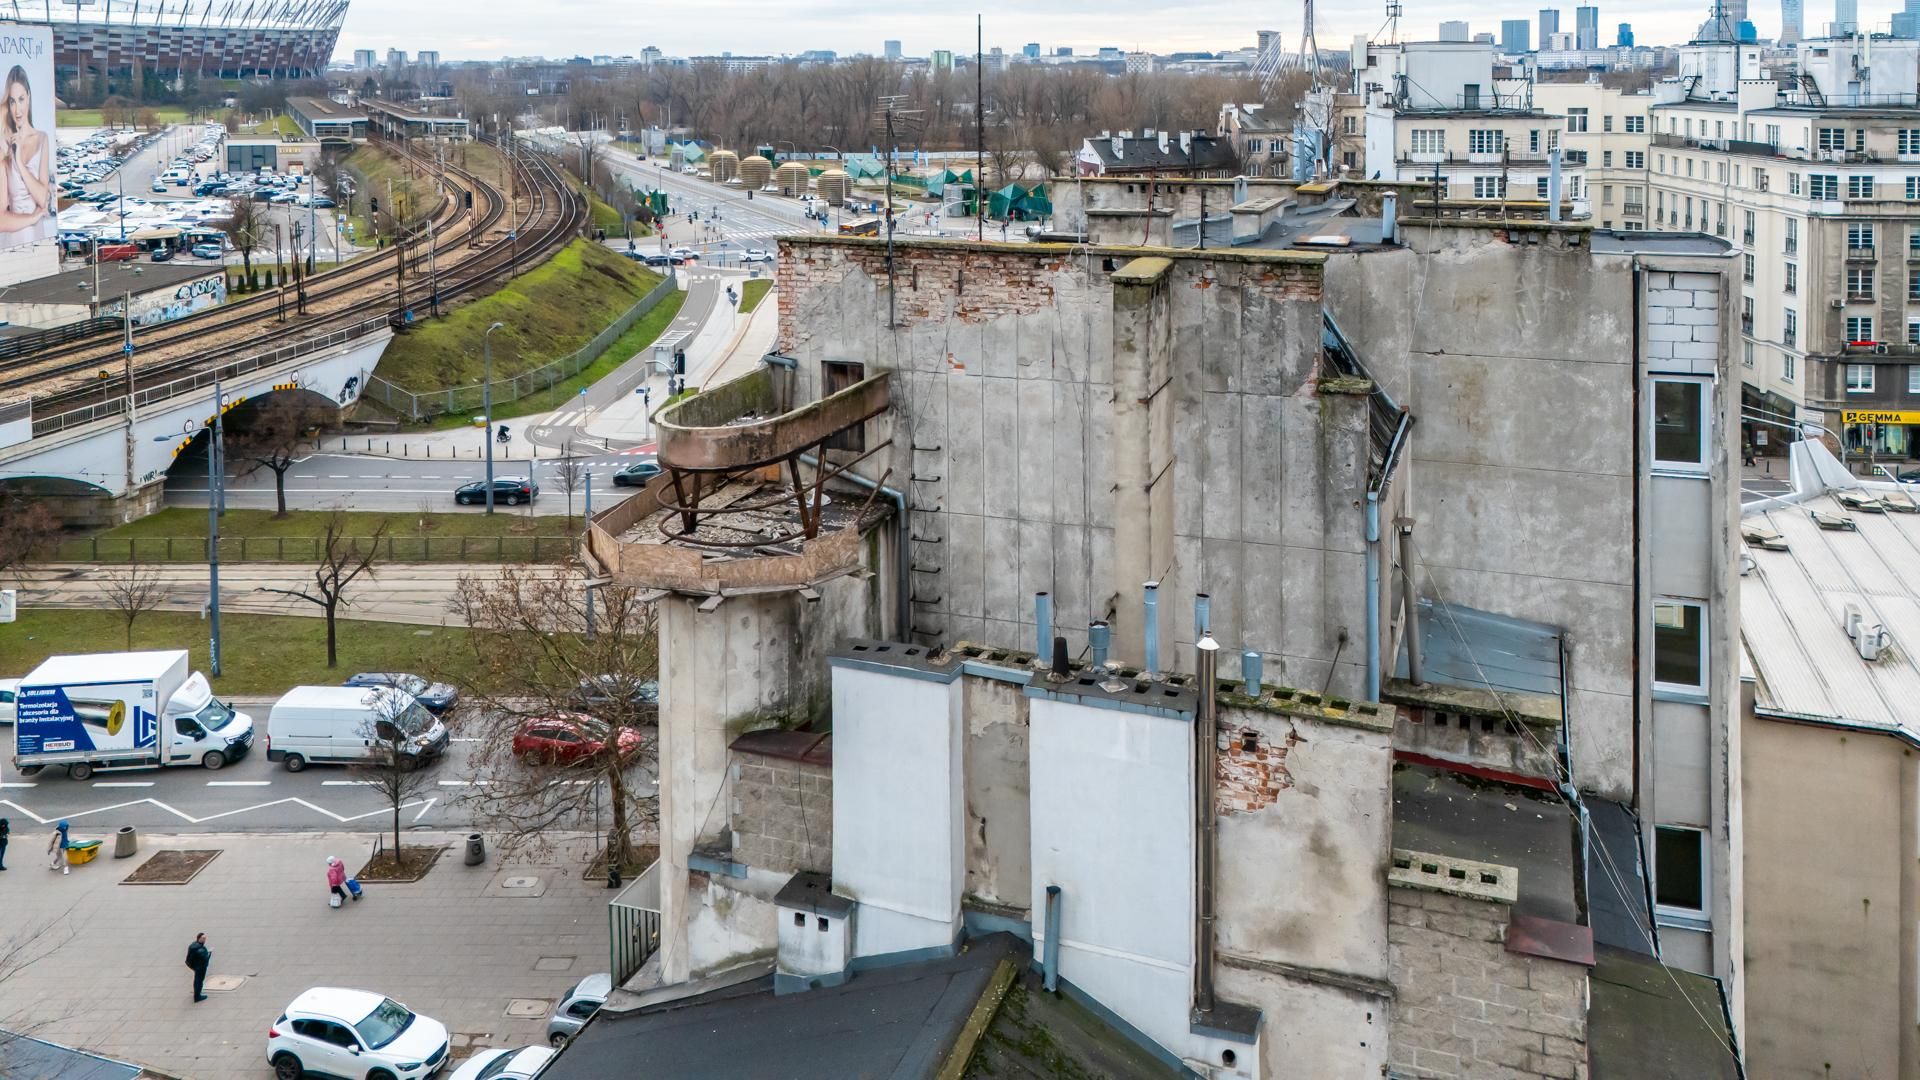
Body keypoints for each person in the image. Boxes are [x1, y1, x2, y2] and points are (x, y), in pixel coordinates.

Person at [185, 933, 211, 1002]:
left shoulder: (193, 945)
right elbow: (205, 958)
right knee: (199, 981)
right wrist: (209, 954)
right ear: (199, 938)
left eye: (205, 938)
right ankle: (197, 996)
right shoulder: (200, 950)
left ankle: (196, 994)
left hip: (195, 966)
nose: (204, 940)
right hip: (200, 967)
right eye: (203, 938)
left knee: (197, 980)